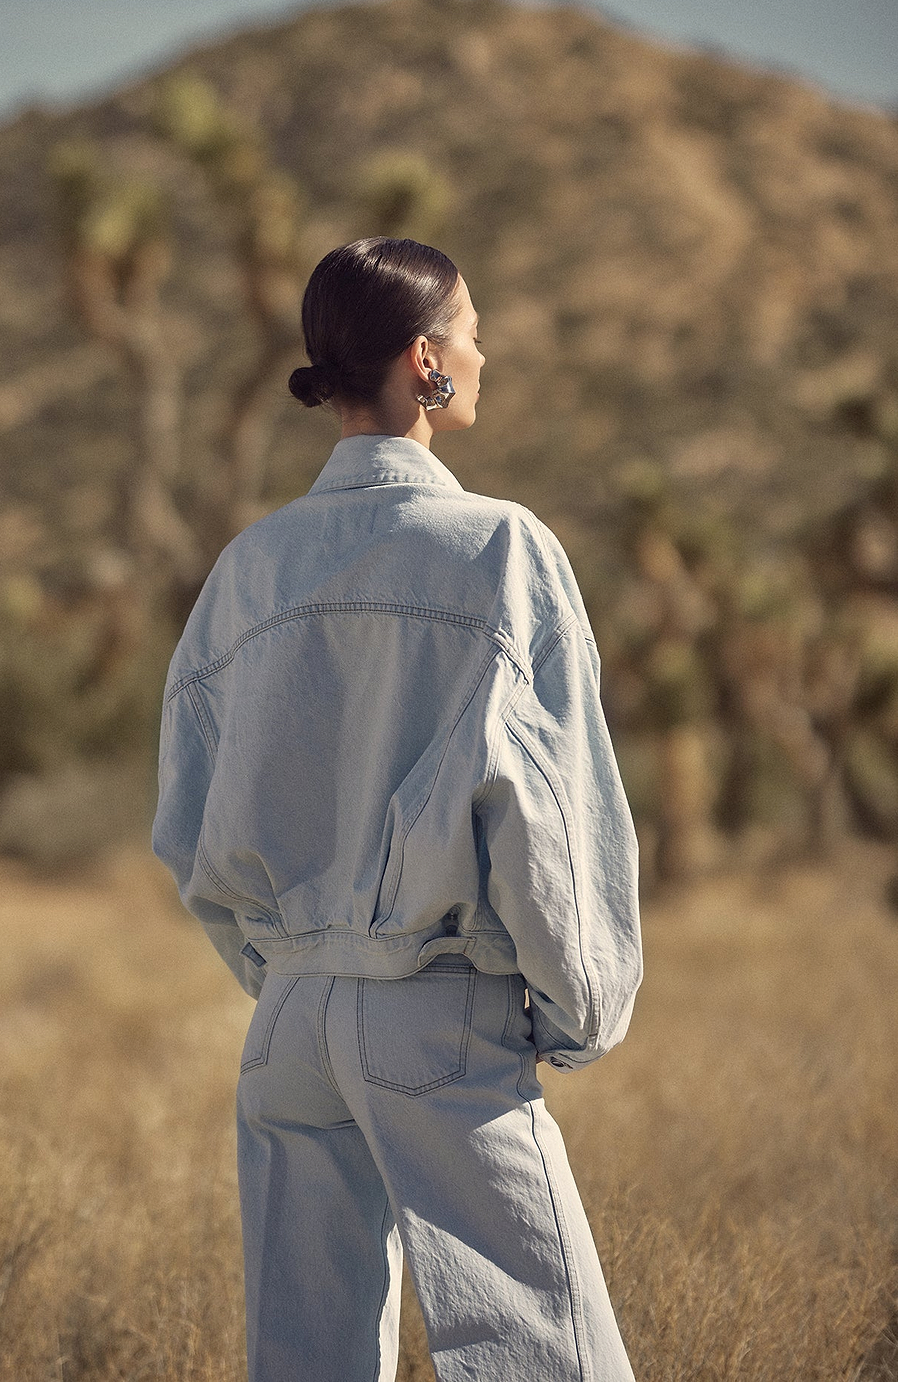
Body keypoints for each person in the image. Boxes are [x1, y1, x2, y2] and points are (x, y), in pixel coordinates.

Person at [152, 236, 643, 1382]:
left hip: (289, 1023)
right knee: (546, 1352)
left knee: (309, 1358)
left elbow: (187, 820)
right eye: (472, 331)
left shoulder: (249, 568)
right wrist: (580, 1007)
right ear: (426, 363)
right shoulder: (499, 549)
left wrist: (293, 969)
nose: (486, 350)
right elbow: (553, 811)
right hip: (437, 1011)